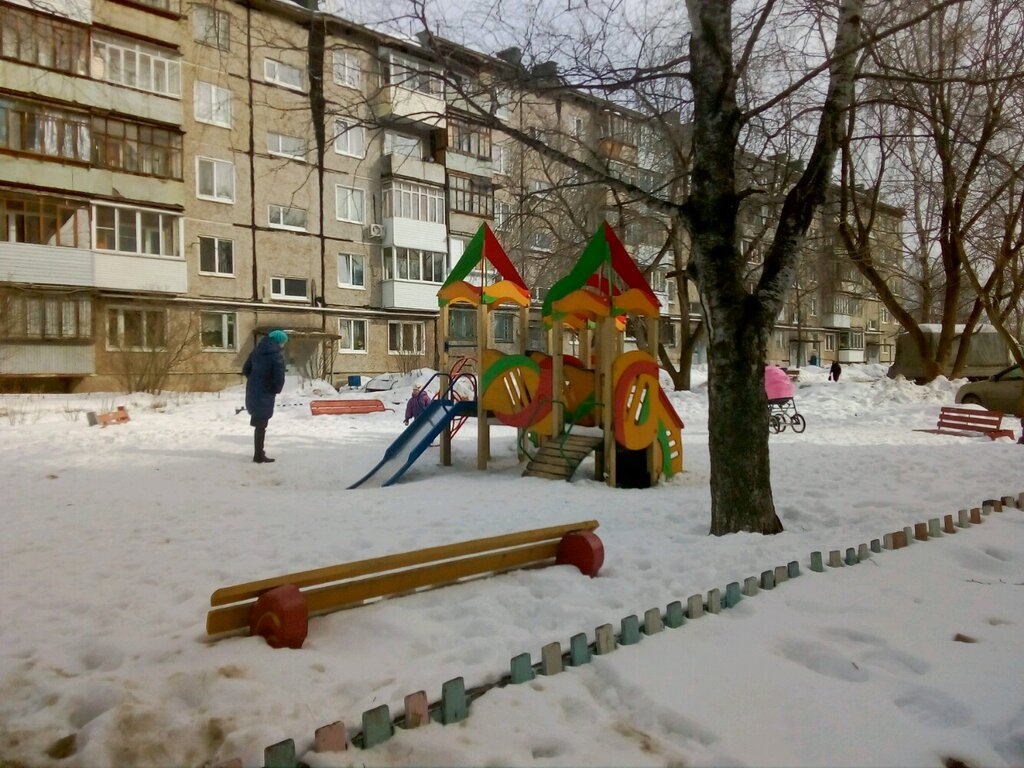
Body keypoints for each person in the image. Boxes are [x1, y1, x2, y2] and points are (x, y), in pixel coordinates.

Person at [242, 329, 287, 463]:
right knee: (261, 424)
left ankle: (259, 453)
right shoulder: (276, 355)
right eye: (283, 342)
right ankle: (258, 455)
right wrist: (275, 389)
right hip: (266, 392)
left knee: (259, 422)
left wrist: (255, 381)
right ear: (279, 341)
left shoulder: (256, 352)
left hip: (253, 390)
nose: (283, 345)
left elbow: (246, 369)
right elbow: (279, 377)